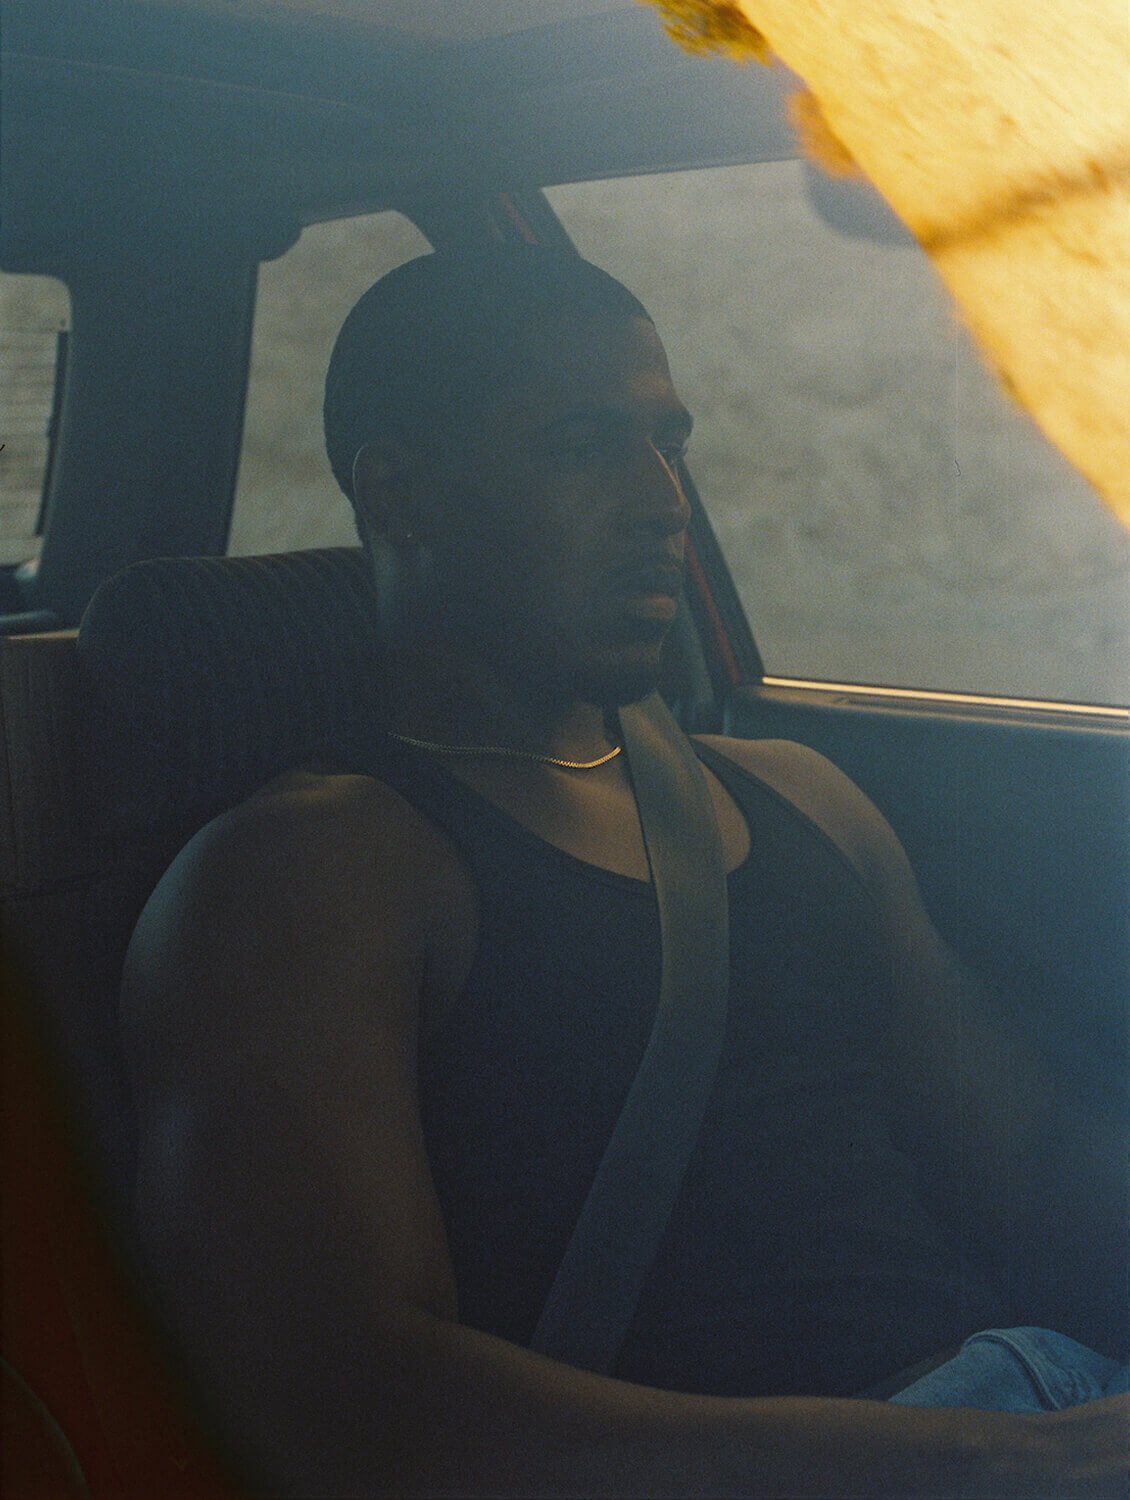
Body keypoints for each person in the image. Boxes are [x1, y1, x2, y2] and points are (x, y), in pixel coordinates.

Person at [121, 245, 1128, 1498]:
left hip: (1049, 1408)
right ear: (399, 497)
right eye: (581, 447)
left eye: (668, 442)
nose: (664, 501)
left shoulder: (798, 795)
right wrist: (996, 1456)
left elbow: (1029, 1159)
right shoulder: (315, 871)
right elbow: (354, 1407)